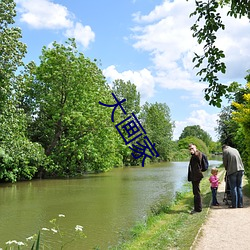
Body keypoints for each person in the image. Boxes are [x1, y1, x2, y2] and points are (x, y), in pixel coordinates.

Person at [188, 143, 204, 214]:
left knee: (196, 192)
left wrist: (194, 152)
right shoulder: (194, 155)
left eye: (192, 148)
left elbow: (198, 158)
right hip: (195, 176)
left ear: (195, 148)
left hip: (196, 176)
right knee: (196, 192)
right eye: (190, 149)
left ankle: (198, 209)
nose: (191, 150)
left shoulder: (198, 154)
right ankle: (197, 208)